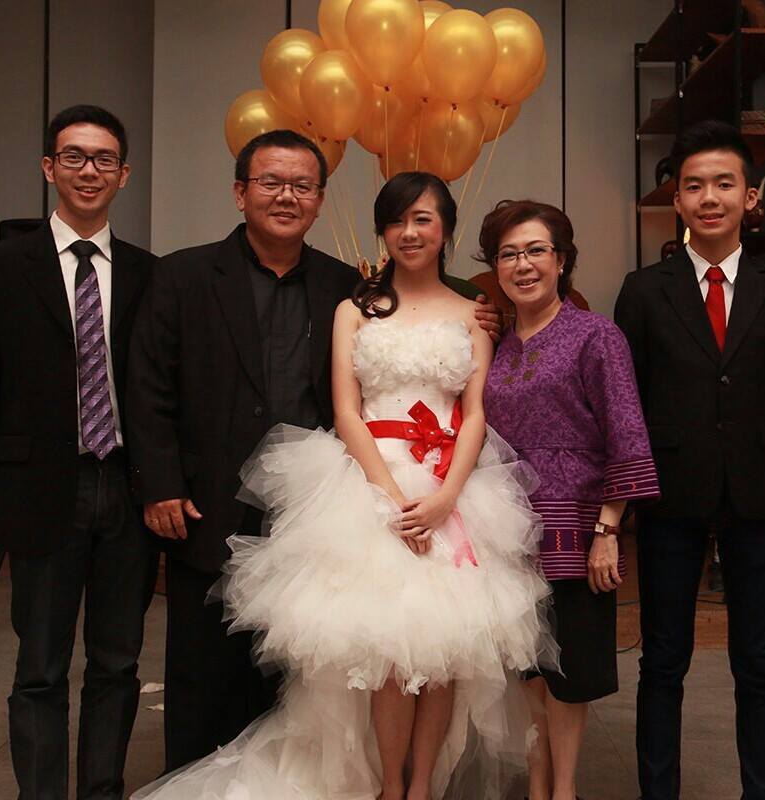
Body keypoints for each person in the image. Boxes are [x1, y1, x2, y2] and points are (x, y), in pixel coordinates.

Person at [130, 171, 557, 800]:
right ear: (382, 231)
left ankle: (421, 787)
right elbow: (347, 410)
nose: (409, 232)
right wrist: (389, 495)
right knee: (385, 653)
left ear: (445, 230)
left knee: (448, 652)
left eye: (423, 219)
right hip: (367, 485)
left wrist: (445, 497)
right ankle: (390, 786)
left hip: (453, 487)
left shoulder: (474, 314)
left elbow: (475, 413)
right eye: (397, 220)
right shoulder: (354, 309)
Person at [615, 120, 765, 800]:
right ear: (677, 198)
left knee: (760, 665)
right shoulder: (643, 290)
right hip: (670, 494)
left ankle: (764, 792)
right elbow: (628, 401)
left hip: (761, 494)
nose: (709, 197)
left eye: (724, 183)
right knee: (663, 662)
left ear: (752, 196)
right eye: (694, 186)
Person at [0, 104, 158, 800]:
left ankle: (101, 791)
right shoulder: (7, 267)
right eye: (73, 156)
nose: (88, 170)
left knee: (118, 664)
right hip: (39, 489)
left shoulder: (152, 275)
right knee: (39, 667)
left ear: (124, 174)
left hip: (125, 485)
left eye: (103, 159)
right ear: (48, 168)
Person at [481, 200, 659, 800]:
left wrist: (608, 530)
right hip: (508, 528)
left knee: (570, 670)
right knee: (527, 665)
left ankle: (563, 789)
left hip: (577, 529)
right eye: (508, 254)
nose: (522, 264)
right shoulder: (499, 343)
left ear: (561, 260)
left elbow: (626, 430)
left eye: (536, 250)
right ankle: (537, 783)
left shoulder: (595, 335)